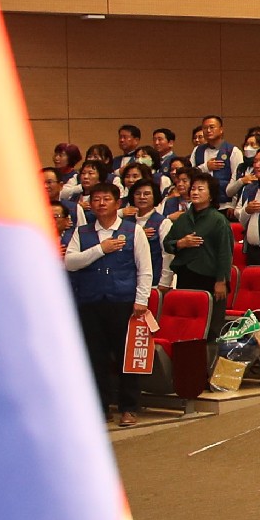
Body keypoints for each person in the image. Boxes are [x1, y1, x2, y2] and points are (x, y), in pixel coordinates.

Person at [63, 179, 153, 428]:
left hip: (122, 302)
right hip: (90, 302)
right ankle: (100, 408)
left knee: (126, 358)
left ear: (118, 203)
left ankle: (128, 408)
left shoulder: (132, 231)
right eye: (95, 199)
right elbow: (70, 263)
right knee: (95, 358)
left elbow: (144, 269)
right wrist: (100, 250)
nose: (100, 204)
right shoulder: (83, 232)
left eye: (106, 199)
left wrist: (141, 300)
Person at [161, 172, 232, 350]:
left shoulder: (218, 220)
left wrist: (221, 280)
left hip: (209, 277)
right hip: (186, 274)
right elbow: (167, 244)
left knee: (210, 326)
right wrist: (181, 243)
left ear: (210, 194)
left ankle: (209, 365)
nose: (195, 192)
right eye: (193, 188)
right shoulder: (184, 218)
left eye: (200, 189)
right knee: (187, 323)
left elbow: (225, 252)